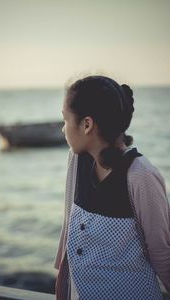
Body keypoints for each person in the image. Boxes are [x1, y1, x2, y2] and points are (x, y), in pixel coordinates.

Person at [54, 75, 170, 300]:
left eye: (65, 120)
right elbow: (69, 229)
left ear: (86, 124)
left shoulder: (141, 175)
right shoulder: (77, 160)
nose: (63, 129)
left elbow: (162, 253)